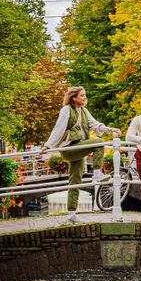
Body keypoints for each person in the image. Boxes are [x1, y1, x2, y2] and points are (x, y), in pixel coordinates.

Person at [41, 86, 120, 224]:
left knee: (75, 180)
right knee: (99, 142)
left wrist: (110, 129)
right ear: (74, 98)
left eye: (84, 95)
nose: (85, 97)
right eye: (82, 95)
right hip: (69, 148)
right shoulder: (66, 110)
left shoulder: (84, 111)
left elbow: (95, 125)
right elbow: (58, 128)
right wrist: (48, 145)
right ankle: (97, 174)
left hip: (79, 147)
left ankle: (71, 214)